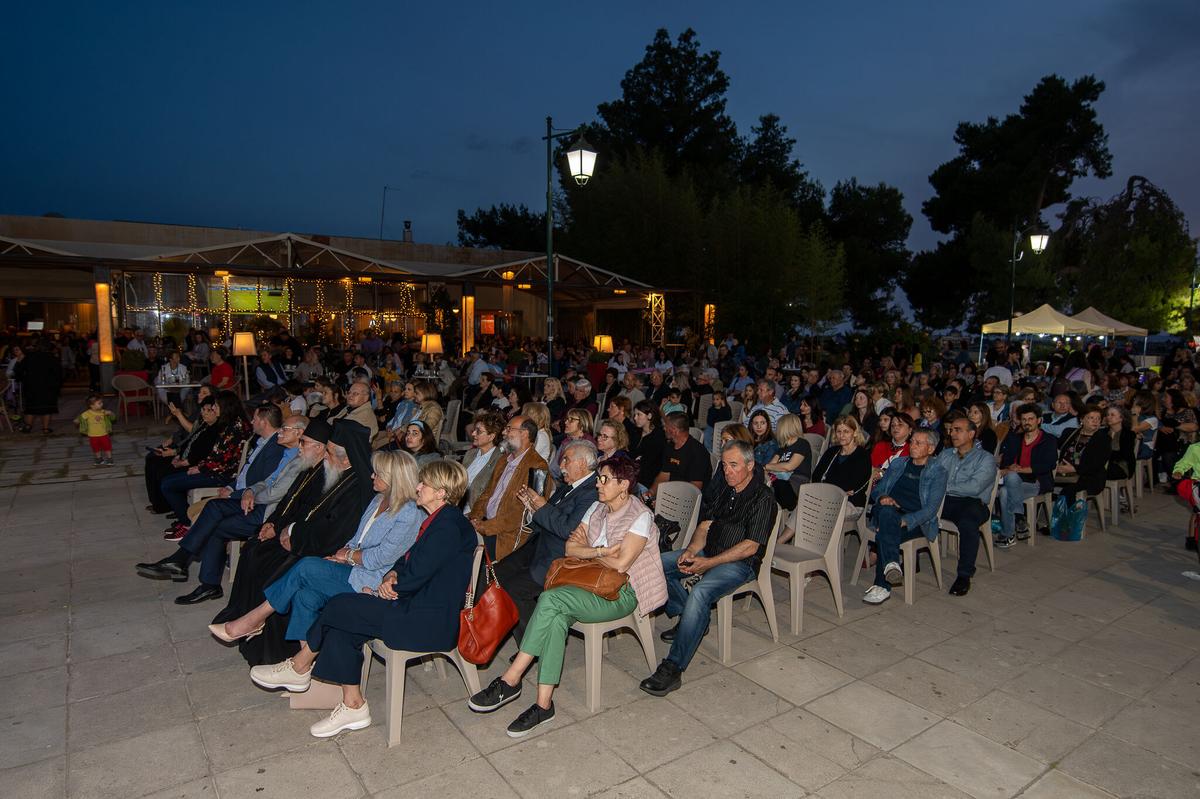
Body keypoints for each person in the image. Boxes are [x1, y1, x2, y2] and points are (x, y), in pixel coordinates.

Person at [250, 460, 476, 739]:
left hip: (427, 620)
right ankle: (353, 704)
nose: (417, 487)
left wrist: (390, 587)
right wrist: (391, 576)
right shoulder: (438, 520)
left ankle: (300, 665)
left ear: (441, 493)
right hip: (413, 605)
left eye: (424, 484)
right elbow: (407, 562)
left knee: (339, 606)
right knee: (344, 620)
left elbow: (417, 575)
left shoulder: (448, 528)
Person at [470, 454, 666, 737]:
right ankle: (543, 704)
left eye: (604, 479)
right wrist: (600, 552)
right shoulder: (597, 507)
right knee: (556, 616)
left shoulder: (640, 516)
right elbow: (570, 549)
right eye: (598, 478)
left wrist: (593, 552)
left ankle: (510, 680)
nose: (597, 484)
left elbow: (623, 564)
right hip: (589, 583)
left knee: (551, 599)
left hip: (623, 592)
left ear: (624, 485)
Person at [210, 449, 424, 647]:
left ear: (394, 479)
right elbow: (357, 537)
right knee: (305, 596)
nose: (371, 477)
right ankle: (304, 668)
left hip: (375, 580)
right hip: (355, 568)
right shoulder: (378, 499)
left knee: (306, 566)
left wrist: (347, 556)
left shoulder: (409, 513)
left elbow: (381, 558)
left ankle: (255, 619)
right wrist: (340, 556)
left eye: (377, 474)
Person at [210, 420, 375, 666]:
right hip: (305, 540)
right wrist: (280, 526)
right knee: (256, 550)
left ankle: (274, 650)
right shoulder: (331, 471)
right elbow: (300, 508)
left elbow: (334, 534)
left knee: (274, 568)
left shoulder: (356, 488)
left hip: (325, 551)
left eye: (329, 452)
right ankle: (246, 623)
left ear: (347, 460)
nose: (325, 457)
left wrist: (293, 533)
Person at [640, 440, 776, 697]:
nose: (727, 471)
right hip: (708, 551)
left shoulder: (763, 498)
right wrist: (691, 551)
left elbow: (750, 546)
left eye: (734, 465)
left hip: (739, 564)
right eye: (724, 465)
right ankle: (691, 618)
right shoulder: (725, 488)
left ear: (750, 465)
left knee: (701, 592)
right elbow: (704, 527)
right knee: (655, 564)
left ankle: (673, 667)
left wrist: (708, 564)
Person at [136, 416, 314, 598]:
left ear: (299, 433)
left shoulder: (300, 459)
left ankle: (196, 573)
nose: (280, 431)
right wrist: (249, 491)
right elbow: (267, 481)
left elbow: (275, 493)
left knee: (216, 523)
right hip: (257, 502)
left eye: (284, 428)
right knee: (214, 509)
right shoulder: (288, 453)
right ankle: (189, 568)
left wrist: (250, 495)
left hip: (269, 513)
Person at [488, 440, 601, 643]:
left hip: (558, 559)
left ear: (582, 463)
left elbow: (568, 530)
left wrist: (541, 506)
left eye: (566, 460)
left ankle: (538, 645)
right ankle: (490, 632)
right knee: (494, 575)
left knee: (514, 590)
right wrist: (532, 508)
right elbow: (547, 518)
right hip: (538, 547)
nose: (561, 466)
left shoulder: (592, 492)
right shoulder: (570, 486)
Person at [862, 429, 949, 604]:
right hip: (889, 511)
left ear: (931, 449)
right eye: (912, 441)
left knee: (885, 532)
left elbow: (931, 510)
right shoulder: (899, 463)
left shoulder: (938, 471)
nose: (913, 446)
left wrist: (905, 520)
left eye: (919, 443)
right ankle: (891, 566)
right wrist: (882, 497)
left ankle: (882, 585)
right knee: (887, 512)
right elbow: (877, 490)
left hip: (916, 521)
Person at [158, 392, 251, 538]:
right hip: (216, 470)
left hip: (223, 476)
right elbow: (216, 455)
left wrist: (199, 468)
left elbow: (223, 459)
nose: (213, 408)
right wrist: (199, 466)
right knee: (169, 479)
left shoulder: (235, 427)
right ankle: (187, 520)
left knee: (168, 485)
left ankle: (187, 524)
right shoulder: (231, 423)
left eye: (216, 405)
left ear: (225, 407)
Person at [469, 415, 553, 559]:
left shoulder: (538, 466)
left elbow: (525, 513)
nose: (503, 432)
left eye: (509, 429)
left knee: (459, 546)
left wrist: (485, 527)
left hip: (506, 536)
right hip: (485, 523)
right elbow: (486, 494)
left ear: (524, 433)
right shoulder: (504, 460)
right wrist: (475, 518)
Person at [936, 417, 997, 597]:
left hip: (972, 502)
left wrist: (943, 486)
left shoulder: (985, 458)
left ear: (971, 434)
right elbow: (932, 476)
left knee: (969, 522)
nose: (952, 433)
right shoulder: (946, 454)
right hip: (945, 500)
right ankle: (911, 559)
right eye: (952, 430)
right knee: (916, 505)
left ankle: (964, 574)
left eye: (958, 430)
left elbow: (974, 488)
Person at [995, 403, 1058, 549]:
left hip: (1037, 482)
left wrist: (1022, 470)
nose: (1027, 422)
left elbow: (1048, 465)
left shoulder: (1048, 440)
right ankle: (1016, 524)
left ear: (1039, 420)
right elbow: (1006, 462)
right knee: (1005, 490)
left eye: (1031, 419)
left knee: (1008, 485)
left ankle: (1011, 529)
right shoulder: (1015, 438)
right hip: (1016, 482)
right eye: (1024, 419)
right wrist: (1010, 467)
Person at [809, 416, 873, 519]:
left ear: (855, 433)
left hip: (851, 503)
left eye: (846, 431)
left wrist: (830, 486)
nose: (842, 435)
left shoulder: (862, 455)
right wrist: (836, 488)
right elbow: (816, 476)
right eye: (839, 432)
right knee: (803, 506)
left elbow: (854, 484)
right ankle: (785, 536)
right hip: (826, 498)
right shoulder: (831, 452)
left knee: (818, 511)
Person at [644, 412, 710, 502]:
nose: (663, 428)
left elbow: (694, 489)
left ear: (674, 430)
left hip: (687, 501)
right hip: (672, 493)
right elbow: (664, 474)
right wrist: (651, 492)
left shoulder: (698, 452)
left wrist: (667, 502)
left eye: (665, 426)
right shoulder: (670, 446)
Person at [1053, 405, 1110, 505]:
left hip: (1088, 476)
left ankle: (1067, 519)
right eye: (1091, 418)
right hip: (1060, 472)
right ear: (1082, 419)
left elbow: (1097, 464)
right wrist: (1056, 466)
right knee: (1039, 484)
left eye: (1098, 419)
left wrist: (1074, 469)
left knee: (1068, 490)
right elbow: (1054, 450)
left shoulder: (1103, 438)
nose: (1095, 421)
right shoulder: (1069, 432)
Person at [762, 413, 811, 510]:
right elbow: (770, 467)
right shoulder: (782, 448)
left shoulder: (802, 443)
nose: (776, 430)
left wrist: (767, 466)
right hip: (780, 482)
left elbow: (789, 466)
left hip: (796, 482)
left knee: (779, 485)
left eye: (778, 427)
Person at [13, 340, 62, 434]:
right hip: (48, 387)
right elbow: (58, 374)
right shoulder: (53, 358)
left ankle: (28, 426)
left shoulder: (29, 357)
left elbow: (18, 371)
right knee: (47, 408)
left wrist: (19, 362)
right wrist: (57, 387)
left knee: (31, 407)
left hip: (32, 386)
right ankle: (45, 428)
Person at [462, 411, 503, 513]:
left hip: (474, 510)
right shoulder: (470, 454)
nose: (473, 433)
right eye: (474, 430)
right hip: (458, 504)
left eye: (478, 431)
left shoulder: (500, 460)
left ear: (491, 436)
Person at [549, 407, 594, 480]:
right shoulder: (567, 440)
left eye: (571, 420)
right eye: (566, 419)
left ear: (582, 423)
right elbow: (553, 468)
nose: (566, 422)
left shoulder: (588, 446)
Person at [631, 400, 666, 491]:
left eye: (639, 414)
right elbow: (632, 455)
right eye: (635, 415)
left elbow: (650, 464)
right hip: (634, 475)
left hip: (648, 481)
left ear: (649, 416)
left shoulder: (658, 436)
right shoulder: (636, 432)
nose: (635, 418)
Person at [74, 393, 116, 466]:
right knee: (95, 448)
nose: (102, 404)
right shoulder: (87, 413)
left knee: (107, 447)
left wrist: (111, 413)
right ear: (92, 405)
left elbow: (113, 418)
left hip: (104, 433)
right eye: (99, 403)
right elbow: (80, 418)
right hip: (92, 435)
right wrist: (76, 421)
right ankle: (99, 459)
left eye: (101, 402)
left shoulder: (103, 412)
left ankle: (109, 459)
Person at [1104, 404, 1137, 485]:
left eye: (1112, 415)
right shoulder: (1103, 432)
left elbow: (1124, 455)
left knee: (1095, 471)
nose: (1109, 417)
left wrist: (1105, 456)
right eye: (1108, 415)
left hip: (1121, 466)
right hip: (1104, 464)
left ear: (1121, 418)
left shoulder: (1128, 434)